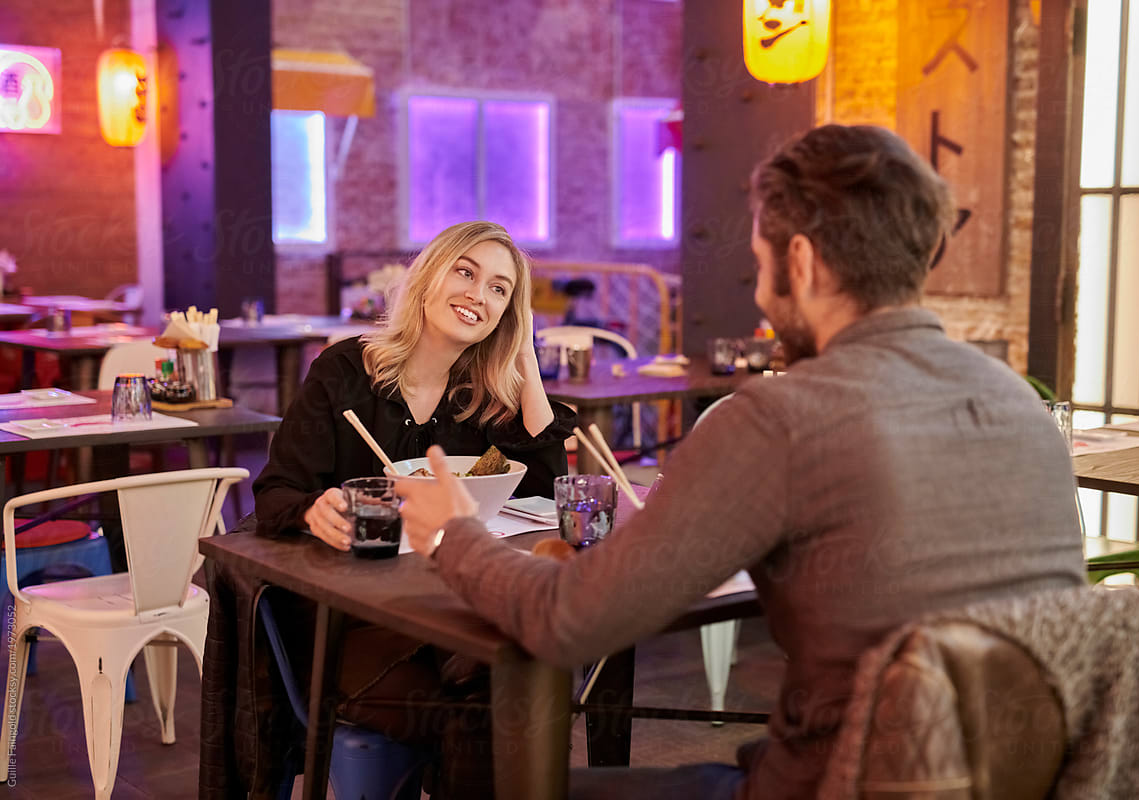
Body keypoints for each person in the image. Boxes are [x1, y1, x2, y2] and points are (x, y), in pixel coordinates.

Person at [392, 125, 1087, 800]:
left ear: (805, 263)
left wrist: (455, 535)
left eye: (760, 264)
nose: (759, 292)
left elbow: (566, 621)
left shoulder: (780, 417)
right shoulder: (1017, 400)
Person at [251, 219, 577, 797]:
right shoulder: (347, 370)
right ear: (429, 276)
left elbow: (550, 500)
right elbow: (275, 490)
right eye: (466, 271)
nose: (479, 295)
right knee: (478, 713)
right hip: (347, 618)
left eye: (501, 290)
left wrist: (524, 354)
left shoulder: (482, 398)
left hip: (443, 607)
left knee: (506, 684)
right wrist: (311, 511)